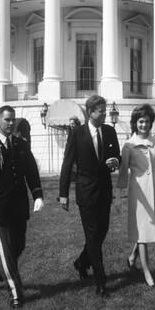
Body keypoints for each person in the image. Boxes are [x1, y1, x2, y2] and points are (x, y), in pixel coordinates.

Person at [0, 105, 44, 308]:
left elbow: (31, 172)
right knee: (5, 251)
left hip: (19, 206)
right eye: (7, 120)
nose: (11, 123)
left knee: (17, 247)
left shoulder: (21, 144)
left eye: (13, 120)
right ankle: (16, 293)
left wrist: (37, 195)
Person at [59, 95, 120, 297]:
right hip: (85, 193)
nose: (104, 114)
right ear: (90, 112)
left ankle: (81, 262)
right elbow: (67, 164)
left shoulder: (110, 131)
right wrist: (63, 194)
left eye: (104, 111)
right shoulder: (77, 133)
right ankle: (101, 281)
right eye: (101, 111)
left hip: (105, 191)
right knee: (92, 236)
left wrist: (115, 162)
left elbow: (117, 156)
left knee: (101, 233)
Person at [116, 104, 155, 287]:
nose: (144, 125)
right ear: (135, 123)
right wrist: (118, 195)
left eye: (147, 121)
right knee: (143, 230)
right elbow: (123, 173)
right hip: (138, 193)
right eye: (140, 121)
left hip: (153, 190)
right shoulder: (129, 146)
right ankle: (147, 270)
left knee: (146, 230)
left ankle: (132, 257)